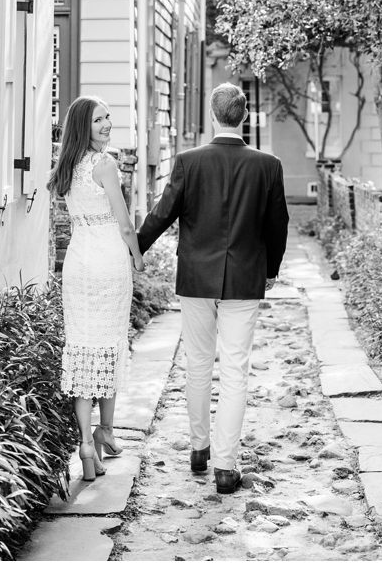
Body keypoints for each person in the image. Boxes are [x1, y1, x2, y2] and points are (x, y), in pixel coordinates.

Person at [137, 82, 290, 494]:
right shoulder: (267, 165)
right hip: (244, 280)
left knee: (198, 366)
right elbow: (278, 226)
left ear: (212, 114)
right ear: (243, 117)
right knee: (236, 371)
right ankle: (225, 467)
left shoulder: (189, 161)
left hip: (196, 280)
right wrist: (270, 270)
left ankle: (199, 450)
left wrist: (134, 248)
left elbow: (162, 213)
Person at [48, 96, 143, 482]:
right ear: (84, 126)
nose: (107, 124)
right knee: (108, 346)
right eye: (99, 120)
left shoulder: (68, 165)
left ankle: (88, 444)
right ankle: (106, 430)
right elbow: (123, 224)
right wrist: (138, 257)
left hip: (78, 262)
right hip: (106, 261)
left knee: (83, 349)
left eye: (109, 117)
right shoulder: (105, 165)